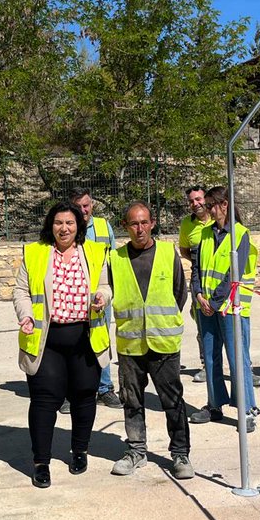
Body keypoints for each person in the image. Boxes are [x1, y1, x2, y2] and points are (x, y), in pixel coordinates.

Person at [14, 201, 112, 488]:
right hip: (47, 340)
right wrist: (26, 315)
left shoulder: (94, 252)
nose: (64, 228)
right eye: (58, 223)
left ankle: (79, 451)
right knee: (45, 400)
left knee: (84, 395)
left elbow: (106, 286)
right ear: (50, 225)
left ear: (78, 226)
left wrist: (102, 298)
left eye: (70, 223)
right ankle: (40, 461)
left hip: (86, 337)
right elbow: (20, 290)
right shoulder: (35, 253)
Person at [110, 202, 193, 479]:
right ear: (125, 227)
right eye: (133, 223)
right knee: (131, 400)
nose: (140, 229)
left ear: (153, 223)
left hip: (163, 342)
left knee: (173, 401)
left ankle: (180, 454)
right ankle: (136, 450)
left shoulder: (168, 253)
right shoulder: (115, 258)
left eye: (144, 222)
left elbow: (180, 293)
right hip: (130, 344)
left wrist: (162, 322)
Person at [179, 185, 260, 390]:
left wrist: (214, 302)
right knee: (210, 358)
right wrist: (199, 294)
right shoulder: (205, 233)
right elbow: (197, 266)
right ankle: (215, 403)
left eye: (209, 204)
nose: (205, 208)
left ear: (224, 205)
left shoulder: (240, 234)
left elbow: (232, 275)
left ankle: (246, 408)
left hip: (230, 307)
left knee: (238, 359)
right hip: (206, 305)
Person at [66, 188, 121, 409]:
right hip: (71, 295)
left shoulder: (103, 226)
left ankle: (105, 388)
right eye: (78, 206)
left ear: (92, 205)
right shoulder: (65, 226)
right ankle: (72, 393)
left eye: (86, 205)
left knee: (101, 340)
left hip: (99, 295)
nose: (83, 210)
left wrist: (109, 292)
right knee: (73, 343)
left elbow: (113, 258)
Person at [178, 186, 212, 385]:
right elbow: (184, 250)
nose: (195, 204)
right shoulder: (187, 224)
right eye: (191, 201)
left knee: (234, 327)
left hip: (223, 282)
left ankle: (244, 368)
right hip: (199, 281)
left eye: (198, 199)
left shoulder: (219, 218)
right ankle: (206, 365)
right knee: (202, 324)